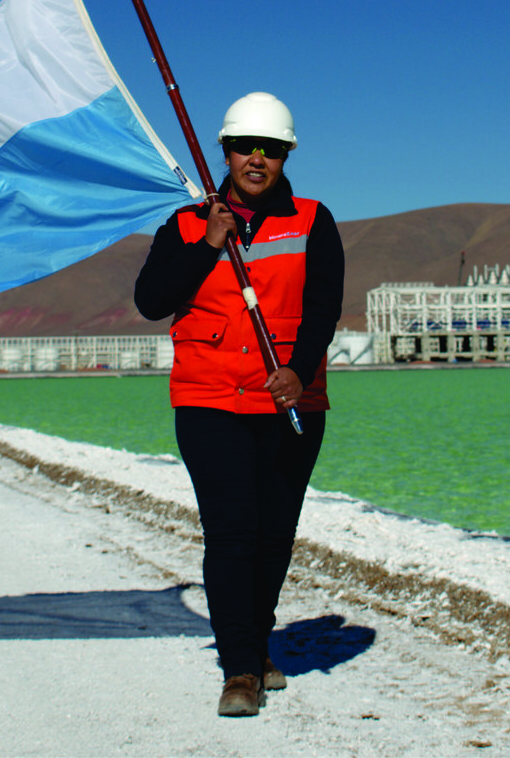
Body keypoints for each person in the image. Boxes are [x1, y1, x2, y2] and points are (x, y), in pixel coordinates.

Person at [134, 91, 345, 718]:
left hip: (290, 403)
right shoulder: (186, 224)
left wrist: (299, 371)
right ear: (224, 152)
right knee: (232, 536)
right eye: (245, 147)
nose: (258, 158)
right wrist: (207, 244)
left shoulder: (313, 220)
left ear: (285, 156)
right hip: (208, 402)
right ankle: (241, 671)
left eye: (272, 149)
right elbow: (150, 300)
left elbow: (323, 308)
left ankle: (256, 641)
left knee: (274, 535)